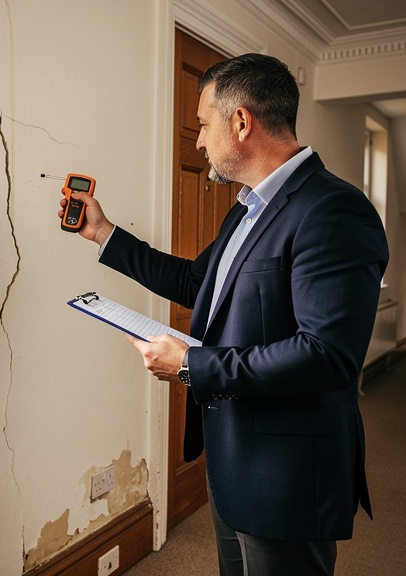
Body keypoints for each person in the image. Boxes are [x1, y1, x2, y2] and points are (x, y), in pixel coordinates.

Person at [58, 53, 388, 575]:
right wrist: (103, 233)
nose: (198, 142)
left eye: (204, 125)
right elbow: (197, 282)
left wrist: (192, 365)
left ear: (241, 122)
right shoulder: (247, 206)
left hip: (288, 473)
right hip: (236, 457)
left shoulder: (334, 211)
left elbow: (326, 354)